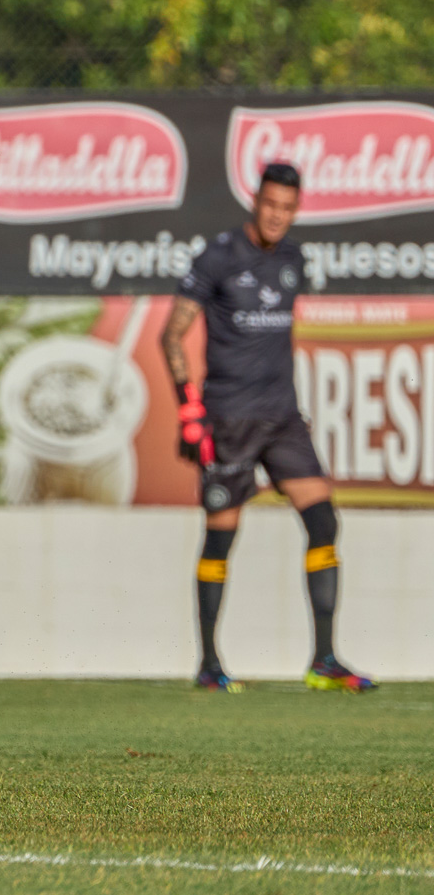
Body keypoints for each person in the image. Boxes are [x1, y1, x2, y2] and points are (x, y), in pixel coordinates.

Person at [160, 161, 375, 693]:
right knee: (221, 537)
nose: (277, 215)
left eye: (288, 207)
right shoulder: (218, 256)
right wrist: (190, 410)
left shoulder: (295, 260)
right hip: (228, 419)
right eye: (270, 204)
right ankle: (209, 665)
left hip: (282, 420)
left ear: (296, 209)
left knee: (323, 522)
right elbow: (172, 335)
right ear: (255, 201)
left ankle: (324, 660)